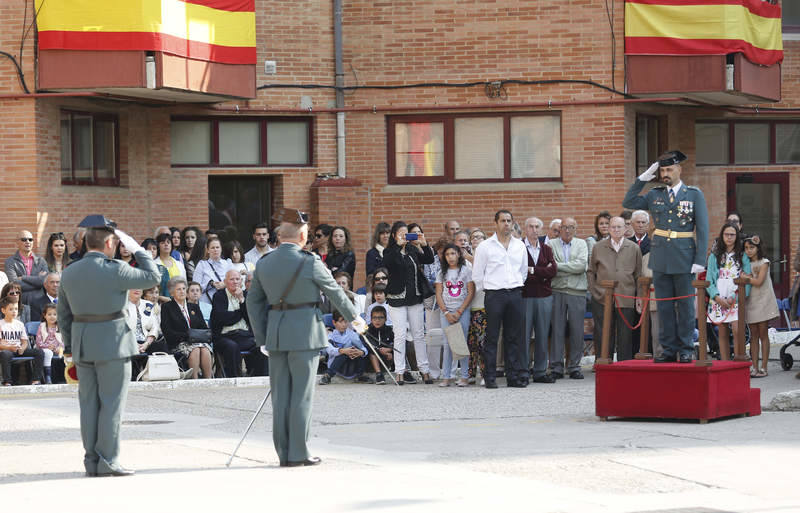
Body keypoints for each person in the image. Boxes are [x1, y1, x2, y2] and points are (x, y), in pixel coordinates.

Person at [246, 208, 365, 467]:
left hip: (276, 335)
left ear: (279, 237)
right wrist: (356, 319)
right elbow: (335, 292)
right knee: (301, 394)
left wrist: (262, 337)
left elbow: (252, 303)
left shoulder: (264, 263)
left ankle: (283, 453)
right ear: (302, 236)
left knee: (280, 395)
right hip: (305, 334)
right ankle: (299, 452)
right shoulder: (310, 261)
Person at [58, 220, 161, 476]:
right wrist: (137, 247)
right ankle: (108, 460)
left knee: (89, 405)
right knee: (112, 404)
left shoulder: (70, 271)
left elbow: (63, 314)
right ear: (108, 243)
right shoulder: (117, 269)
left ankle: (91, 461)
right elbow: (153, 276)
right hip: (113, 344)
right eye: (115, 242)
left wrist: (70, 347)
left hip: (83, 343)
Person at [623, 150, 709, 363]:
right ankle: (668, 349)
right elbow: (629, 201)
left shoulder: (693, 194)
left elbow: (704, 228)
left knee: (686, 306)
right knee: (663, 306)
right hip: (660, 257)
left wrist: (700, 260)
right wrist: (644, 177)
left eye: (669, 169)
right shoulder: (655, 194)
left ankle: (686, 348)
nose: (666, 174)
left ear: (679, 169)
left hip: (684, 256)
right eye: (662, 170)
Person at [472, 210, 529, 388]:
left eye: (509, 221)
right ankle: (490, 378)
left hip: (515, 293)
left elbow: (523, 271)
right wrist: (489, 290)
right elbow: (477, 275)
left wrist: (515, 285)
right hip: (494, 294)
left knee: (513, 337)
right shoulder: (485, 246)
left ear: (512, 223)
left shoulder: (519, 245)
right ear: (495, 223)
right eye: (503, 221)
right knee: (492, 337)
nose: (506, 224)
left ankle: (512, 377)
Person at [383, 221, 435, 385]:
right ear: (394, 235)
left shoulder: (413, 249)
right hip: (396, 298)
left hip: (415, 297)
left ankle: (424, 370)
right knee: (399, 334)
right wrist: (398, 247)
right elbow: (390, 264)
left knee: (419, 334)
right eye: (401, 233)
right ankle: (399, 371)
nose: (405, 236)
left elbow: (428, 259)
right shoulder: (389, 251)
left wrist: (424, 245)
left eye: (407, 233)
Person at [587, 216, 642, 362]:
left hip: (626, 297)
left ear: (625, 229)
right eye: (613, 227)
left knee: (625, 335)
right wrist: (594, 291)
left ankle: (624, 365)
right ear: (608, 229)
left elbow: (638, 275)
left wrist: (639, 297)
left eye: (619, 227)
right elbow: (591, 271)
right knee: (603, 333)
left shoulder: (634, 248)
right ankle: (603, 363)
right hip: (602, 297)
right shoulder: (598, 247)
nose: (616, 230)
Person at [548, 217, 588, 379]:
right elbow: (549, 267)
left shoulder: (582, 244)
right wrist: (564, 267)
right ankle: (556, 366)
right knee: (557, 329)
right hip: (556, 291)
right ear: (559, 229)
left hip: (577, 291)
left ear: (576, 229)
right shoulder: (551, 244)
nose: (567, 230)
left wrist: (559, 267)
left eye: (571, 227)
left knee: (577, 330)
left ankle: (574, 366)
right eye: (564, 227)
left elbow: (581, 266)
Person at [210, 269, 267, 377]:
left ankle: (259, 378)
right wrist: (240, 312)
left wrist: (241, 300)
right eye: (232, 279)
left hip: (245, 335)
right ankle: (235, 378)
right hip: (225, 336)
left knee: (261, 347)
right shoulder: (219, 296)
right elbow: (222, 318)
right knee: (232, 347)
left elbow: (251, 318)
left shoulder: (247, 295)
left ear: (241, 282)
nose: (235, 282)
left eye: (237, 279)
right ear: (225, 282)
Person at [707, 223, 751, 361]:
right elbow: (709, 280)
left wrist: (735, 298)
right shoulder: (714, 256)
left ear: (737, 236)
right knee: (722, 331)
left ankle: (739, 361)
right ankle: (725, 363)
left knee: (738, 330)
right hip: (719, 298)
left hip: (736, 297)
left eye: (732, 234)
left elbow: (748, 278)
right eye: (726, 234)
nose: (729, 237)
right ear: (722, 236)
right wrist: (716, 297)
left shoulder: (742, 255)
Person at [522, 217, 557, 384]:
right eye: (531, 226)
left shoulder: (546, 249)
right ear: (525, 229)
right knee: (524, 335)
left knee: (543, 334)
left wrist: (532, 271)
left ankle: (540, 371)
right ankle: (523, 370)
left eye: (537, 227)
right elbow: (519, 272)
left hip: (544, 296)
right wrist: (542, 273)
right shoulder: (518, 248)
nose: (534, 230)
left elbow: (553, 271)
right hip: (525, 296)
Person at [436, 243, 474, 387]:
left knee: (461, 343)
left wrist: (459, 311)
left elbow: (470, 292)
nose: (450, 257)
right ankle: (447, 376)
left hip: (462, 311)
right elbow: (438, 294)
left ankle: (464, 376)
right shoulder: (442, 273)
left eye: (453, 253)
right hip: (446, 312)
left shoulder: (465, 271)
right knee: (447, 344)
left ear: (459, 254)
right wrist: (446, 312)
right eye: (447, 254)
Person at [160, 277, 213, 379]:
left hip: (197, 341)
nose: (182, 292)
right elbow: (167, 331)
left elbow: (202, 327)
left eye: (184, 289)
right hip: (179, 342)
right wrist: (187, 335)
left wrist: (197, 336)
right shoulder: (167, 307)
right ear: (171, 293)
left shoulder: (193, 307)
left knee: (205, 349)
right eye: (178, 289)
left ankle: (208, 380)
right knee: (196, 349)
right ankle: (194, 379)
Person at [743, 235, 778, 377]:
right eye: (746, 248)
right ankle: (754, 367)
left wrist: (746, 277)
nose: (749, 251)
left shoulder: (764, 262)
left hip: (763, 300)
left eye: (752, 247)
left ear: (758, 248)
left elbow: (758, 282)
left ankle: (764, 367)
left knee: (763, 333)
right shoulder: (744, 264)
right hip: (750, 301)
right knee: (753, 335)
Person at [0, 297, 44, 385]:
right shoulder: (1, 324)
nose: (14, 311)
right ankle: (7, 381)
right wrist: (9, 347)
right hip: (6, 350)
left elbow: (24, 341)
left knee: (39, 352)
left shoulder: (20, 324)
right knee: (5, 354)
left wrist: (23, 348)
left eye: (16, 309)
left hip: (18, 349)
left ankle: (36, 379)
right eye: (11, 309)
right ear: (3, 310)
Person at [319, 310, 370, 384]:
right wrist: (343, 351)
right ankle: (328, 375)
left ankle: (360, 375)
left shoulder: (353, 334)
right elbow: (330, 350)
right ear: (334, 322)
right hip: (337, 367)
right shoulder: (330, 336)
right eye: (341, 322)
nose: (344, 325)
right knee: (345, 351)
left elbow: (364, 349)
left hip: (352, 366)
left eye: (346, 322)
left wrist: (361, 352)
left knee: (356, 350)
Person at [5, 230, 49, 305]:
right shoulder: (10, 261)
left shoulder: (41, 261)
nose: (28, 242)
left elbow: (44, 281)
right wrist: (37, 282)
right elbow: (14, 284)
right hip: (20, 303)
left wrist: (24, 278)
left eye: (30, 239)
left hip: (39, 302)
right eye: (24, 239)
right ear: (17, 243)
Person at [193, 238, 233, 306]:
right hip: (207, 304)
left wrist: (225, 284)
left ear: (221, 249)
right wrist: (211, 284)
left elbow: (237, 282)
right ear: (208, 250)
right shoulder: (202, 265)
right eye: (212, 248)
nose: (215, 250)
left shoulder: (227, 263)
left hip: (226, 303)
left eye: (217, 247)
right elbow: (195, 287)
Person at [35, 303, 64, 384]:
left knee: (65, 354)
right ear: (45, 315)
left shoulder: (60, 326)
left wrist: (60, 348)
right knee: (48, 353)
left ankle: (65, 377)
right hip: (45, 349)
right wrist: (47, 346)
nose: (52, 316)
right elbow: (38, 342)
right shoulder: (42, 326)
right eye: (49, 314)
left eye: (55, 314)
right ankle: (48, 377)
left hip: (58, 349)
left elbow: (65, 341)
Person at [365, 305, 394, 384]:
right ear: (371, 319)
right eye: (374, 318)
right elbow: (368, 345)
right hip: (370, 362)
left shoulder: (389, 330)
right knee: (372, 353)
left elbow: (397, 343)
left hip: (386, 359)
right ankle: (379, 375)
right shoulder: (367, 330)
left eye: (380, 318)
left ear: (385, 319)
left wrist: (389, 349)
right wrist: (380, 351)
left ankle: (404, 373)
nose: (377, 320)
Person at [142, 238, 170, 303]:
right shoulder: (137, 269)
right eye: (148, 249)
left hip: (161, 304)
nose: (152, 251)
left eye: (154, 249)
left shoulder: (163, 269)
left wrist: (158, 297)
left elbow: (167, 294)